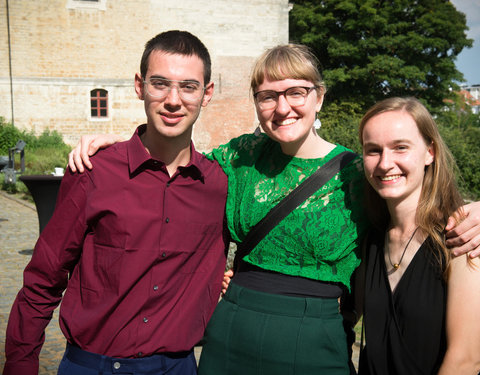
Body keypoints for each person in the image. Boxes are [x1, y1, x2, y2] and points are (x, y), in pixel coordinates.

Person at [68, 45, 480, 374]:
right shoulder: (239, 156)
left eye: (296, 92)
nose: (282, 108)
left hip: (315, 336)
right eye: (268, 96)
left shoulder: (361, 170)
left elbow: (415, 200)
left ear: (319, 97)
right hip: (231, 328)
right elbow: (177, 170)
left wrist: (475, 213)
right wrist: (121, 147)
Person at [3, 30, 229, 375]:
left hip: (179, 367)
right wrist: (20, 364)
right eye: (159, 84)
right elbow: (44, 277)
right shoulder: (95, 171)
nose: (173, 99)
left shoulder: (220, 184)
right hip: (93, 365)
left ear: (206, 93)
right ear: (139, 86)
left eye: (188, 86)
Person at [357, 97, 480, 374]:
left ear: (430, 152)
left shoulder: (461, 237)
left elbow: (466, 359)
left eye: (400, 147)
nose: (385, 163)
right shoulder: (372, 239)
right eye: (373, 150)